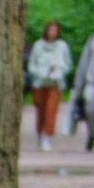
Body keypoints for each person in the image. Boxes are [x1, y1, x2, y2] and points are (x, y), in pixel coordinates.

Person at [30, 22, 75, 150]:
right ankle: (40, 133)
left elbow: (68, 64)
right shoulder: (38, 46)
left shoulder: (62, 46)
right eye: (50, 30)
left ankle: (47, 137)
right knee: (41, 110)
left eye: (55, 30)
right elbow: (31, 65)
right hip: (40, 83)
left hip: (56, 84)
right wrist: (40, 73)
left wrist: (59, 72)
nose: (52, 33)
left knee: (51, 110)